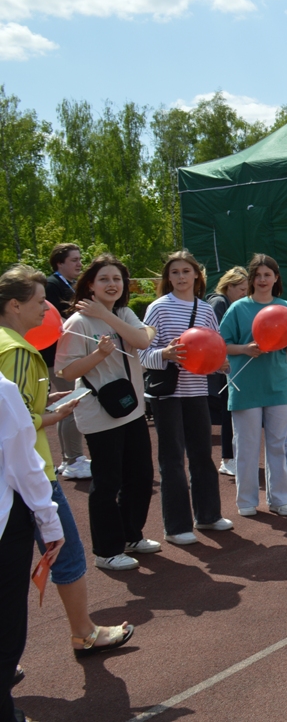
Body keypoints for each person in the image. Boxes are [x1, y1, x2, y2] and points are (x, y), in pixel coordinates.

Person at [1, 265, 135, 658]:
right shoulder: (19, 351)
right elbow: (18, 424)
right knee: (68, 554)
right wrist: (52, 417)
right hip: (30, 476)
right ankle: (84, 632)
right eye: (39, 302)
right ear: (14, 305)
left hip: (16, 476)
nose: (47, 310)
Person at [56, 256, 159, 573]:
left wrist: (106, 314)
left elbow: (142, 339)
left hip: (132, 409)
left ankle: (131, 536)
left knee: (140, 477)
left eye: (117, 279)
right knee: (107, 482)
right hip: (100, 414)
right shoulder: (78, 322)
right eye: (104, 279)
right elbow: (65, 370)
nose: (112, 284)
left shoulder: (123, 313)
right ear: (90, 284)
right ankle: (107, 550)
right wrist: (99, 354)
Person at [139, 251, 233, 546]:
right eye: (175, 272)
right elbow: (142, 354)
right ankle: (176, 526)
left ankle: (208, 515)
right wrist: (164, 354)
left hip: (195, 392)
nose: (180, 277)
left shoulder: (205, 310)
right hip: (166, 394)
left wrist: (221, 363)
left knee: (202, 455)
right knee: (172, 460)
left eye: (186, 271)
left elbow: (214, 348)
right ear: (168, 278)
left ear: (197, 276)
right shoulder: (158, 308)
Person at [0, 373, 64, 722]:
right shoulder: (3, 391)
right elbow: (23, 466)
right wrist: (50, 523)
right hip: (4, 525)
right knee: (7, 632)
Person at [219, 254, 287, 517]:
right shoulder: (237, 308)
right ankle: (246, 501)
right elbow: (222, 344)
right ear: (251, 279)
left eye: (268, 274)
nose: (263, 279)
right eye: (258, 275)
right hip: (245, 386)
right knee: (246, 445)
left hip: (277, 384)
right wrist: (245, 348)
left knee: (277, 444)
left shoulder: (286, 307)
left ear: (276, 277)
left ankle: (280, 499)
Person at [42, 242, 91, 480]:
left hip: (65, 355)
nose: (79, 264)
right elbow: (62, 318)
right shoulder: (52, 285)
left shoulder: (67, 285)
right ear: (59, 263)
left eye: (80, 259)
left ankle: (68, 458)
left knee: (68, 405)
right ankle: (74, 459)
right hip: (57, 357)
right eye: (74, 260)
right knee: (71, 404)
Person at [207, 266, 249, 476]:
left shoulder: (230, 304)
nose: (244, 293)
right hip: (219, 371)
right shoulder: (220, 303)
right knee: (226, 414)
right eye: (241, 288)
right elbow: (215, 336)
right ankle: (227, 459)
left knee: (231, 414)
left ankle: (232, 457)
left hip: (227, 368)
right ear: (228, 286)